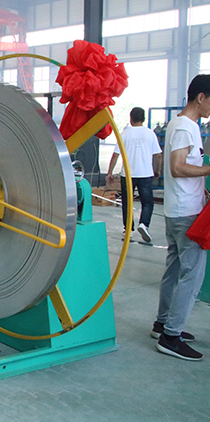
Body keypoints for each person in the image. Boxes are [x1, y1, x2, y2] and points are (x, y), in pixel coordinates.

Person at [153, 74, 210, 361]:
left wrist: (201, 186)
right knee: (192, 275)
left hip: (176, 209)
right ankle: (171, 337)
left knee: (174, 269)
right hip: (186, 213)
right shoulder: (187, 127)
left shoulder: (178, 124)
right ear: (201, 97)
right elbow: (177, 168)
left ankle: (162, 323)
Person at [106, 107, 162, 242]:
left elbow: (115, 155)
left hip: (128, 175)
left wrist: (110, 172)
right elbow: (158, 155)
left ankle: (128, 229)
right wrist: (158, 170)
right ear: (144, 119)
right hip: (145, 174)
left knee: (127, 202)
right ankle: (144, 224)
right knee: (147, 202)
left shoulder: (125, 134)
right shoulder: (150, 134)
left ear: (130, 118)